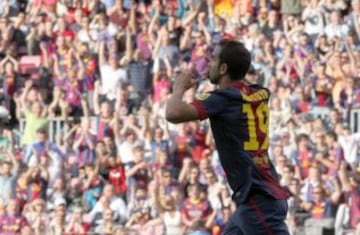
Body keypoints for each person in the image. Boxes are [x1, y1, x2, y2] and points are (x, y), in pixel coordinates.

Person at [166, 39, 290, 234]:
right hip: (258, 198)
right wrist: (216, 78)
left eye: (213, 59)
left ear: (223, 68)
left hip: (258, 201)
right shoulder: (258, 93)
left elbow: (172, 113)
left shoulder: (222, 99)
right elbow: (234, 93)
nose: (209, 63)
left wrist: (179, 88)